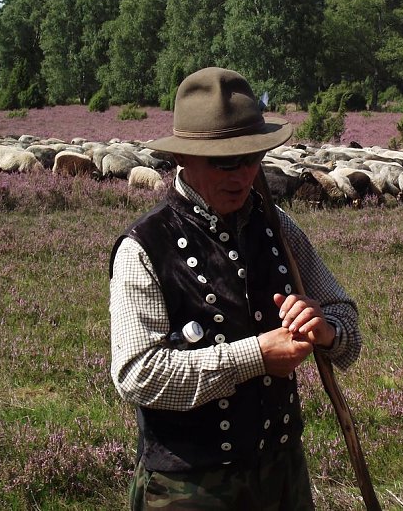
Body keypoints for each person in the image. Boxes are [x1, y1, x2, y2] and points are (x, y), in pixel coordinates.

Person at [109, 66, 361, 510]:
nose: (242, 175)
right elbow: (137, 375)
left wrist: (324, 330)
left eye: (251, 158)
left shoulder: (278, 227)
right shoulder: (144, 247)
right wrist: (257, 356)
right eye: (225, 162)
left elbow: (346, 326)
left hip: (282, 475)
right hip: (188, 489)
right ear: (183, 157)